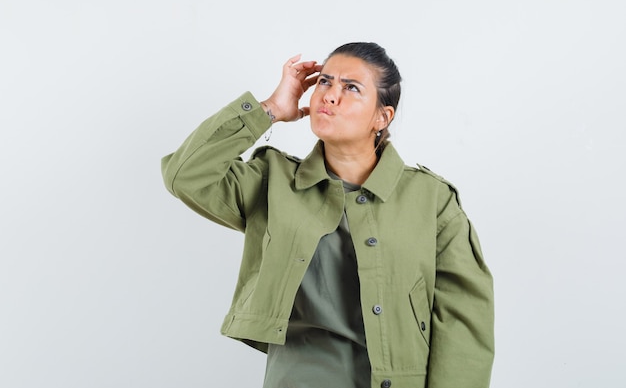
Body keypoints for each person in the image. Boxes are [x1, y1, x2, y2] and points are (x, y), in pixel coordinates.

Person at [161, 42, 495, 388]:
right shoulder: (272, 181)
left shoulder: (432, 200)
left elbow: (464, 319)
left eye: (351, 88)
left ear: (382, 116)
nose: (330, 95)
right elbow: (184, 174)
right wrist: (270, 109)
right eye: (324, 81)